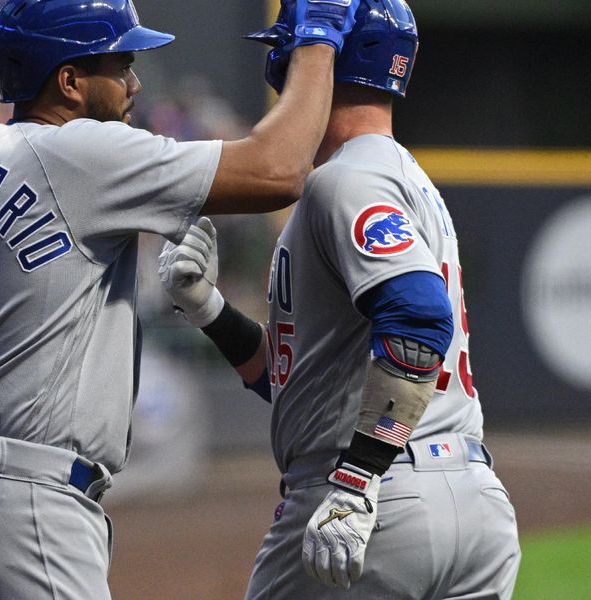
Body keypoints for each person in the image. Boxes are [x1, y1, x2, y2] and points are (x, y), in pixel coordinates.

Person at [0, 0, 363, 598]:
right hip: (28, 500)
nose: (135, 83)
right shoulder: (77, 151)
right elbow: (277, 171)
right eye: (121, 65)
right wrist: (319, 41)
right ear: (69, 82)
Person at [159, 1, 522, 598]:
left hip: (375, 496)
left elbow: (419, 320)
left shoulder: (345, 179)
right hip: (472, 501)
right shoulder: (408, 179)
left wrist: (358, 479)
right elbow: (303, 381)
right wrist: (210, 311)